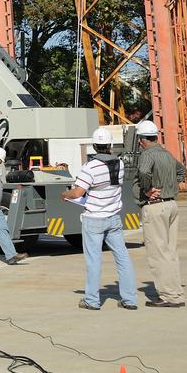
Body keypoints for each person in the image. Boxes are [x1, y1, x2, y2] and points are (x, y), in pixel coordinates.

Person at [61, 127, 138, 310]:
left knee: (93, 260)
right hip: (113, 217)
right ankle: (129, 300)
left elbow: (78, 192)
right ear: (110, 145)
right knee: (123, 258)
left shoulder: (90, 167)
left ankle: (92, 301)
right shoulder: (120, 164)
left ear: (94, 146)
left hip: (94, 219)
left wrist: (65, 194)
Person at [134, 119, 186, 307]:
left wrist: (147, 189)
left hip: (155, 206)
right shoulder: (166, 154)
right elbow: (182, 170)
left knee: (158, 253)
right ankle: (176, 293)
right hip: (171, 204)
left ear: (142, 139)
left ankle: (167, 296)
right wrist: (171, 185)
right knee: (170, 252)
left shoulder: (147, 154)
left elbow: (143, 171)